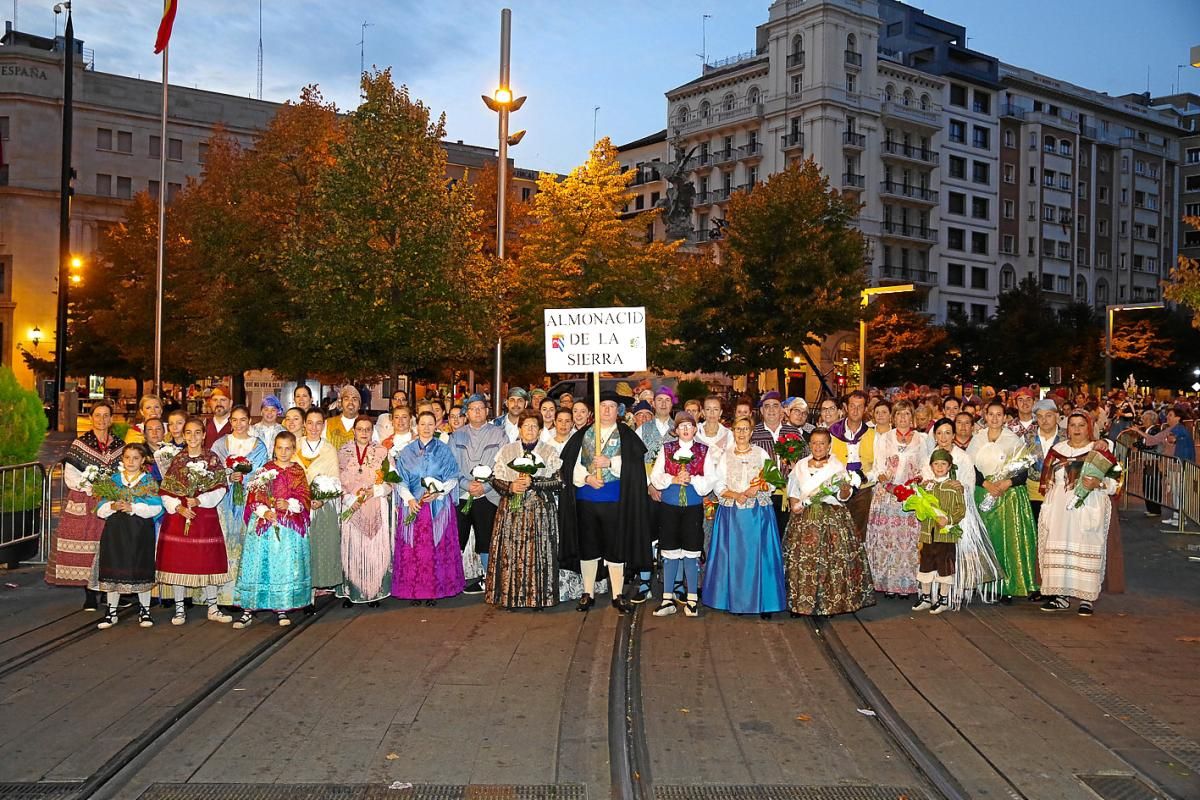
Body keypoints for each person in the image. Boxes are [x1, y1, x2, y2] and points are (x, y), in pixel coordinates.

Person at [559, 391, 653, 614]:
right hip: (586, 498)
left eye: (612, 406)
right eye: (603, 406)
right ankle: (588, 592)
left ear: (618, 410)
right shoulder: (583, 435)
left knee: (615, 547)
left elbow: (634, 469)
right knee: (588, 546)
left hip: (615, 500)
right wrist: (587, 478)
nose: (608, 410)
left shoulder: (626, 436)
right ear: (597, 410)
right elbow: (571, 465)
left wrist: (610, 462)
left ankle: (617, 593)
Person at [784, 428, 874, 617]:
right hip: (804, 519)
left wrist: (843, 489)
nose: (818, 447)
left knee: (831, 563)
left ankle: (830, 603)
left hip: (831, 518)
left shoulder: (837, 467)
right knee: (802, 563)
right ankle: (798, 603)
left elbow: (844, 497)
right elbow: (793, 491)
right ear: (810, 445)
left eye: (822, 443)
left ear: (829, 445)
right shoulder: (800, 466)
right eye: (814, 443)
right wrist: (794, 505)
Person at [703, 417, 787, 618]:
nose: (741, 433)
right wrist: (736, 495)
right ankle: (736, 600)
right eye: (738, 429)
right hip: (732, 514)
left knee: (761, 557)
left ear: (751, 432)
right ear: (733, 431)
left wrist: (757, 487)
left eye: (745, 429)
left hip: (758, 513)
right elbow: (718, 484)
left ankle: (766, 603)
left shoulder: (761, 453)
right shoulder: (725, 456)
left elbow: (774, 480)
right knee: (736, 557)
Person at [45, 400, 126, 609]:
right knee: (87, 548)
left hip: (111, 499)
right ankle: (90, 594)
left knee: (110, 546)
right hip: (85, 499)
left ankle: (108, 592)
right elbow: (71, 476)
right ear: (91, 418)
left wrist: (113, 489)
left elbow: (125, 472)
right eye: (97, 415)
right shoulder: (80, 444)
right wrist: (93, 488)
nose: (102, 419)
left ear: (111, 419)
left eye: (106, 415)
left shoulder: (118, 444)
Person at [1037, 412, 1118, 615]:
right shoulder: (1058, 450)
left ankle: (1086, 598)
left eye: (1081, 425)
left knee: (1086, 545)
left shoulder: (1099, 450)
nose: (1076, 429)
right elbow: (1046, 479)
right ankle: (1061, 596)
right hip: (1060, 508)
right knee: (1058, 545)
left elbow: (1117, 480)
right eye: (1072, 425)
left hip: (1088, 505)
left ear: (1089, 427)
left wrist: (1099, 483)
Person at [156, 418, 233, 625]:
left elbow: (220, 488)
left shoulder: (212, 459)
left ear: (204, 435)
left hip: (204, 517)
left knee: (207, 561)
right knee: (179, 563)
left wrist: (199, 500)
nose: (192, 437)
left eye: (197, 433)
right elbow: (165, 490)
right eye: (188, 433)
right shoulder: (178, 459)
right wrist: (178, 507)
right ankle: (179, 609)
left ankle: (213, 608)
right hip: (179, 518)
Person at [233, 431, 314, 627]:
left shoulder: (297, 471)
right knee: (259, 565)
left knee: (283, 566)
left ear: (294, 450)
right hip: (265, 526)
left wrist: (290, 505)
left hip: (288, 527)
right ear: (274, 449)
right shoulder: (265, 470)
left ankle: (282, 607)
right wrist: (264, 511)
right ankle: (248, 608)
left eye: (288, 448)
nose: (284, 452)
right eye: (280, 448)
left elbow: (304, 496)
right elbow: (255, 495)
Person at [921, 418, 1002, 608]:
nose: (943, 437)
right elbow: (925, 482)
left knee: (953, 553)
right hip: (934, 514)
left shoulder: (963, 457)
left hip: (958, 513)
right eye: (940, 433)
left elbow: (970, 485)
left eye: (948, 433)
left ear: (954, 435)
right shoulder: (929, 458)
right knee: (932, 554)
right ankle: (929, 594)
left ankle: (953, 593)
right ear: (934, 435)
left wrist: (960, 486)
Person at [486, 410, 563, 610]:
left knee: (538, 552)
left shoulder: (549, 451)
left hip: (539, 511)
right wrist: (511, 487)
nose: (530, 430)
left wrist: (534, 482)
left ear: (540, 430)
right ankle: (509, 597)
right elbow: (495, 479)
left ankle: (538, 598)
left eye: (534, 426)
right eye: (526, 426)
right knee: (511, 554)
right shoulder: (507, 450)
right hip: (512, 511)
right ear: (519, 429)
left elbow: (559, 482)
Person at [968, 400, 1039, 602]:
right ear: (985, 415)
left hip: (1008, 497)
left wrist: (1007, 482)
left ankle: (1006, 585)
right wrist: (986, 484)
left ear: (1005, 417)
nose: (995, 418)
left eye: (999, 414)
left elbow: (1023, 470)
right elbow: (971, 468)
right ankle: (985, 584)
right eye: (991, 414)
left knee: (1006, 541)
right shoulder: (977, 439)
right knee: (985, 539)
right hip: (983, 495)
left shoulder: (1013, 440)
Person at [392, 410, 464, 605]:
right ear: (416, 426)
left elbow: (452, 477)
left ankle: (435, 591)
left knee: (436, 549)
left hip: (437, 506)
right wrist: (409, 499)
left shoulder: (443, 450)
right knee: (413, 551)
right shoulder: (407, 451)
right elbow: (399, 480)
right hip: (414, 507)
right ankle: (413, 592)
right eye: (422, 424)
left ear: (436, 426)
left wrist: (439, 492)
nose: (426, 428)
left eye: (430, 424)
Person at [650, 412, 718, 617]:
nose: (686, 429)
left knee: (691, 551)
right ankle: (667, 598)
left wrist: (692, 479)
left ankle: (691, 599)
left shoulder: (703, 451)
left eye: (690, 426)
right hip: (670, 506)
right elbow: (655, 475)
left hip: (692, 507)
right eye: (682, 426)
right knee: (669, 551)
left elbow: (710, 481)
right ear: (676, 430)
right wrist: (672, 479)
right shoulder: (667, 449)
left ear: (695, 429)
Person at [89, 444, 163, 629]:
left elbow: (156, 507)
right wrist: (112, 506)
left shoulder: (148, 482)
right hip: (116, 531)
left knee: (141, 568)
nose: (131, 462)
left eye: (135, 458)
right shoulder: (113, 480)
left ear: (143, 460)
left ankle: (145, 611)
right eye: (127, 457)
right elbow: (100, 508)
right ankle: (111, 611)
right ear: (122, 459)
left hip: (139, 531)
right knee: (113, 568)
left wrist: (133, 507)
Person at [864, 400, 927, 598]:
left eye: (907, 414)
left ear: (912, 417)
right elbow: (878, 465)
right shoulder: (884, 438)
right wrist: (885, 478)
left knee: (907, 541)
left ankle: (906, 583)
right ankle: (887, 583)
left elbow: (925, 465)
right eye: (899, 414)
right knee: (888, 540)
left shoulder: (921, 439)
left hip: (910, 495)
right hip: (888, 495)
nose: (903, 418)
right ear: (893, 417)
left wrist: (917, 480)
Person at [210, 405, 270, 606]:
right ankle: (223, 596)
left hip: (248, 501)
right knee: (225, 544)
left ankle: (244, 594)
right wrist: (229, 476)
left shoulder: (258, 446)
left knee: (247, 544)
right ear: (230, 422)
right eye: (234, 420)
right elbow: (213, 471)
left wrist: (244, 478)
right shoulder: (220, 445)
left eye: (243, 419)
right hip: (225, 503)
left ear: (249, 421)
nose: (239, 424)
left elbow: (262, 473)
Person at [451, 394, 508, 594]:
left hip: (487, 495)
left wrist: (486, 486)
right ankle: (453, 580)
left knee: (487, 539)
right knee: (456, 539)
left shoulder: (498, 434)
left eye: (480, 408)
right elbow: (450, 467)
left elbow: (503, 466)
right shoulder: (457, 436)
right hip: (462, 495)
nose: (477, 412)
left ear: (487, 411)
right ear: (466, 413)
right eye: (472, 408)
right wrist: (466, 484)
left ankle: (489, 579)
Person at [337, 416, 393, 607]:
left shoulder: (382, 452)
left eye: (367, 429)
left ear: (372, 431)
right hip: (352, 508)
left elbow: (392, 480)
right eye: (360, 429)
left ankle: (374, 592)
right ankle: (353, 592)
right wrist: (349, 497)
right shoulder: (343, 452)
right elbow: (336, 479)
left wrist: (376, 491)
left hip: (376, 505)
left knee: (373, 551)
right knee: (352, 550)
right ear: (354, 431)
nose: (363, 433)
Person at [912, 449, 966, 614]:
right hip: (928, 533)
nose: (940, 467)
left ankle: (943, 599)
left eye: (943, 464)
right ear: (931, 466)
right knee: (926, 565)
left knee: (945, 566)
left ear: (949, 466)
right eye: (936, 464)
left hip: (946, 535)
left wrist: (948, 519)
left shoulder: (953, 487)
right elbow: (919, 508)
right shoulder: (927, 486)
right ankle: (926, 597)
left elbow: (961, 509)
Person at [296, 408, 342, 598]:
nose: (314, 427)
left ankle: (317, 585)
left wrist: (321, 498)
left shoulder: (329, 449)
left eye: (318, 423)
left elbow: (335, 480)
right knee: (301, 547)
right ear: (304, 424)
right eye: (310, 422)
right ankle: (302, 585)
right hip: (297, 505)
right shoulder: (295, 445)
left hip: (322, 506)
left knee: (318, 546)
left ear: (323, 426)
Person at [751, 391, 805, 537]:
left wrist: (797, 466)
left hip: (790, 494)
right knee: (764, 535)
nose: (771, 410)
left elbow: (806, 459)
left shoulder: (793, 432)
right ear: (761, 411)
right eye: (767, 406)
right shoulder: (754, 433)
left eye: (775, 406)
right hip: (763, 494)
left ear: (782, 410)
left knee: (787, 536)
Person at [829, 390, 875, 541]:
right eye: (852, 406)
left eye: (860, 407)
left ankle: (857, 562)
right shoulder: (833, 433)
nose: (855, 410)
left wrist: (865, 477)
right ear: (845, 407)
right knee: (837, 529)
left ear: (865, 409)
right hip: (838, 486)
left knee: (858, 531)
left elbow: (878, 464)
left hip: (863, 488)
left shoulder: (873, 435)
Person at [1026, 399, 1065, 525]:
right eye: (1040, 416)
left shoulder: (1068, 437)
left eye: (1049, 415)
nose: (1044, 420)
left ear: (1057, 416)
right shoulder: (1027, 437)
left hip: (1059, 492)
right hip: (1033, 492)